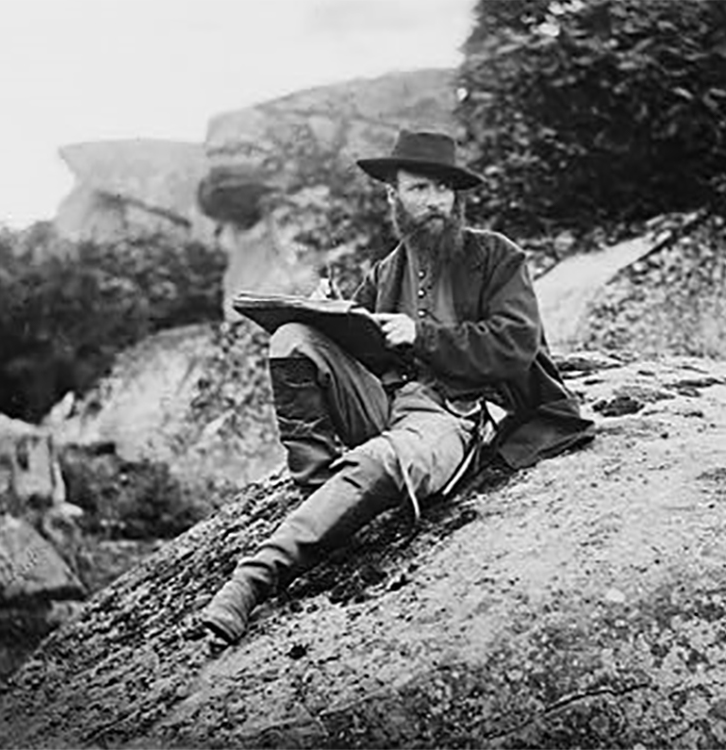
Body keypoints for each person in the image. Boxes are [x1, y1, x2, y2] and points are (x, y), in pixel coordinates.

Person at [200, 129, 594, 643]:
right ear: (393, 196)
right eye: (419, 188)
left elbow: (515, 344)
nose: (435, 201)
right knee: (292, 338)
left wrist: (422, 335)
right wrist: (330, 315)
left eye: (443, 189)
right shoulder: (386, 272)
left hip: (454, 417)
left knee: (380, 459)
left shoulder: (496, 256)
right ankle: (319, 492)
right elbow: (362, 347)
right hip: (386, 406)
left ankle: (254, 579)